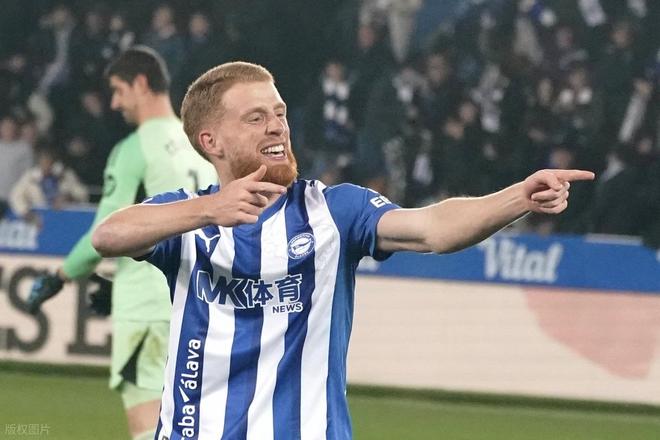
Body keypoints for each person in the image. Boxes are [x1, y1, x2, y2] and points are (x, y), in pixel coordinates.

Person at [91, 61, 595, 440]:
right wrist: (209, 210)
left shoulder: (334, 211)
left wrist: (518, 196)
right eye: (256, 117)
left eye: (280, 113)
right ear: (211, 141)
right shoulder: (186, 217)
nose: (277, 126)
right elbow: (108, 235)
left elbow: (433, 229)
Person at [27, 46, 217, 440]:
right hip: (199, 306)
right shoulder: (201, 146)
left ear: (141, 84)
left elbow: (104, 234)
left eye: (118, 90)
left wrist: (59, 277)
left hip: (148, 311)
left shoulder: (135, 149)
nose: (114, 103)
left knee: (148, 426)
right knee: (192, 425)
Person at [9, 146, 88, 222]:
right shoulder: (30, 177)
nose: (46, 166)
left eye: (49, 162)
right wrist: (27, 213)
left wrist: (68, 197)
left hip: (65, 218)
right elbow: (15, 196)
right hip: (39, 219)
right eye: (43, 163)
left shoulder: (65, 174)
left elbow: (83, 193)